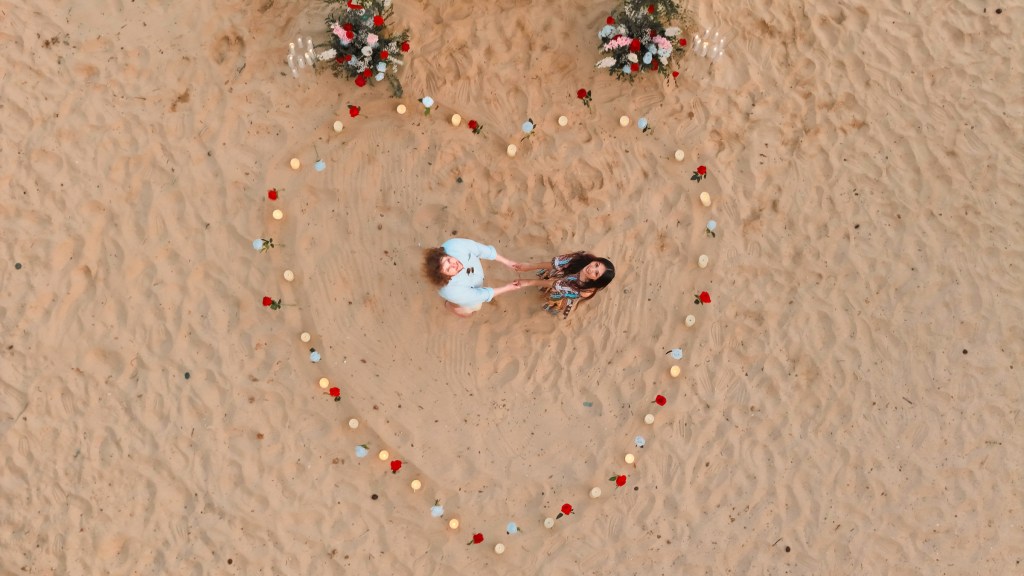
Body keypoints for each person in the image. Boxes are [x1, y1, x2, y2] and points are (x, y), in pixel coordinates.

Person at [423, 238, 530, 318]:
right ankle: (450, 305)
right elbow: (481, 295)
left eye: (448, 260)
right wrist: (508, 287)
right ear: (445, 276)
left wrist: (508, 262)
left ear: (445, 254)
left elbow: (480, 249)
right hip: (460, 295)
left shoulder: (454, 245)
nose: (454, 265)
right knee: (470, 312)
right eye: (448, 269)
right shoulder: (452, 291)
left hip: (473, 283)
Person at [514, 252, 615, 319]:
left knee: (555, 294)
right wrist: (530, 266)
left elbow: (554, 284)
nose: (591, 269)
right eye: (596, 264)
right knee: (554, 272)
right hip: (564, 274)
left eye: (596, 273)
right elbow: (555, 264)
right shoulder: (581, 258)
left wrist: (528, 282)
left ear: (596, 280)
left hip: (566, 289)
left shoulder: (584, 291)